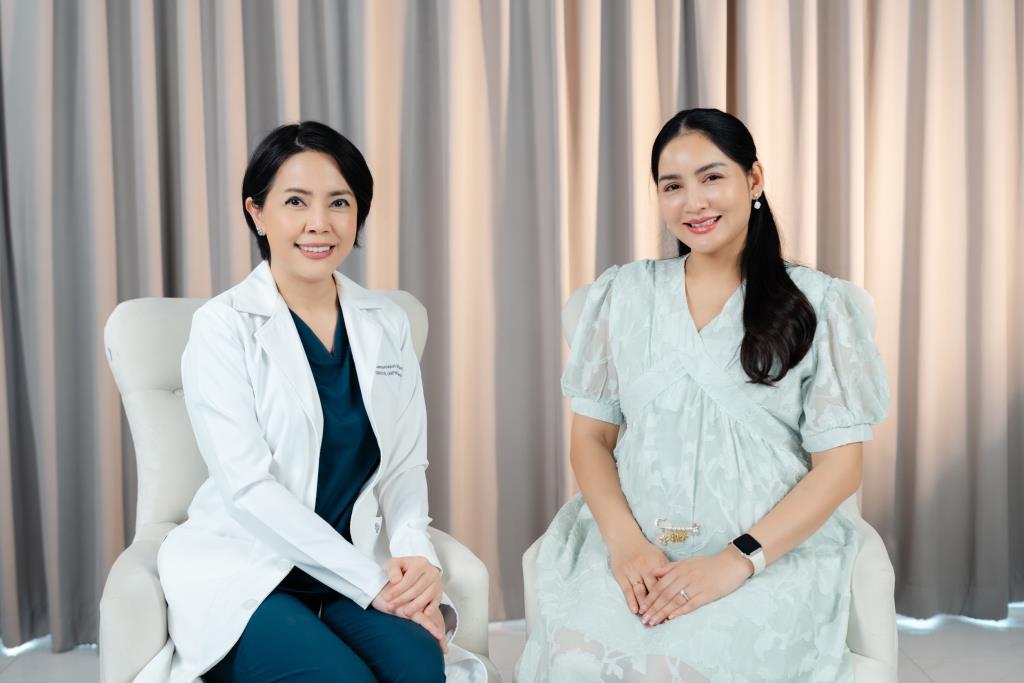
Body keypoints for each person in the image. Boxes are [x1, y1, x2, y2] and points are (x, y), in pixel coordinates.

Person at [516, 108, 890, 681]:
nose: (693, 202)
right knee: (578, 664)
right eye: (673, 186)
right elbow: (590, 437)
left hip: (767, 556)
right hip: (632, 545)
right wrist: (625, 546)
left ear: (754, 180)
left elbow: (840, 467)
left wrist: (737, 561)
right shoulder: (623, 295)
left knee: (683, 667)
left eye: (712, 177)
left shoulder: (819, 304)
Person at [140, 121, 483, 682]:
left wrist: (415, 555)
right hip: (251, 569)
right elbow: (250, 489)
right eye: (296, 201)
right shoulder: (222, 327)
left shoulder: (387, 321)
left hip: (348, 563)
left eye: (339, 202)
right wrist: (372, 586)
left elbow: (404, 466)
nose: (319, 223)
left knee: (421, 667)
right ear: (257, 213)